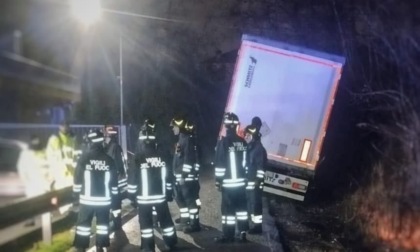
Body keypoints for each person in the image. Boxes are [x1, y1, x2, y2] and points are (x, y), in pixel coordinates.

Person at [128, 119, 177, 252]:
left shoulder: (138, 157)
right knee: (166, 221)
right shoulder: (162, 155)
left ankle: (148, 247)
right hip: (160, 197)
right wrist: (168, 193)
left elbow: (132, 179)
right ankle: (171, 242)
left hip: (144, 199)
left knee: (146, 224)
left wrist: (132, 197)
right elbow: (168, 177)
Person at [72, 130, 120, 252]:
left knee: (83, 225)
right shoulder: (109, 160)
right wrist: (115, 202)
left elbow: (77, 178)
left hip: (87, 200)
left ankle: (81, 247)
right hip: (103, 200)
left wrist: (75, 196)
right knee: (102, 225)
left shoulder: (84, 159)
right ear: (101, 142)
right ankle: (100, 246)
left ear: (90, 142)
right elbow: (114, 184)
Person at [214, 112, 249, 243]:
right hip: (241, 184)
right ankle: (243, 232)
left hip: (228, 184)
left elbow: (220, 165)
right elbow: (246, 164)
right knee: (241, 209)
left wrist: (218, 181)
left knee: (228, 211)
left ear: (226, 126)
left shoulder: (224, 142)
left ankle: (228, 235)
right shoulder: (243, 142)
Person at [170, 116, 201, 233]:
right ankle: (185, 219)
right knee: (180, 198)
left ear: (180, 126)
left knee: (190, 201)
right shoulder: (181, 139)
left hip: (187, 179)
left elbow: (188, 160)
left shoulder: (187, 139)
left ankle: (194, 224)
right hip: (181, 178)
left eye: (174, 126)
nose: (173, 129)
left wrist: (183, 175)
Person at [17, 135, 50, 226]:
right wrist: (26, 181)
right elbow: (21, 168)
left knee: (43, 203)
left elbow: (48, 165)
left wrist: (48, 179)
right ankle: (31, 220)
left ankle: (46, 223)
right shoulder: (26, 153)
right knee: (31, 203)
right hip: (31, 183)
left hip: (43, 183)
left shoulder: (43, 152)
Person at [244, 124, 267, 234]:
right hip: (250, 182)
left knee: (255, 205)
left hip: (255, 183)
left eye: (247, 134)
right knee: (250, 204)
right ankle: (253, 225)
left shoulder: (258, 149)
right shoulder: (250, 147)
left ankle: (257, 227)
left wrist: (258, 180)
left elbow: (260, 167)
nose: (246, 136)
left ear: (252, 136)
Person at [103, 125, 127, 230]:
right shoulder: (106, 146)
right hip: (108, 180)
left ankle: (117, 224)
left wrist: (119, 177)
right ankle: (113, 222)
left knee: (115, 203)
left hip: (114, 180)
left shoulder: (115, 147)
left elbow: (120, 166)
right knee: (111, 202)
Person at [46, 120, 76, 190]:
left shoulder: (74, 138)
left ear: (69, 127)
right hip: (59, 172)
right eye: (63, 126)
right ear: (59, 127)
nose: (65, 127)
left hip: (72, 173)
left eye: (66, 126)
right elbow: (49, 156)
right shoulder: (53, 139)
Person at [184, 121, 202, 211]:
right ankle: (197, 205)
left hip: (192, 173)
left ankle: (196, 207)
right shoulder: (194, 140)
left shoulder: (190, 141)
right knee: (195, 191)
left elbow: (193, 157)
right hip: (195, 172)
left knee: (192, 193)